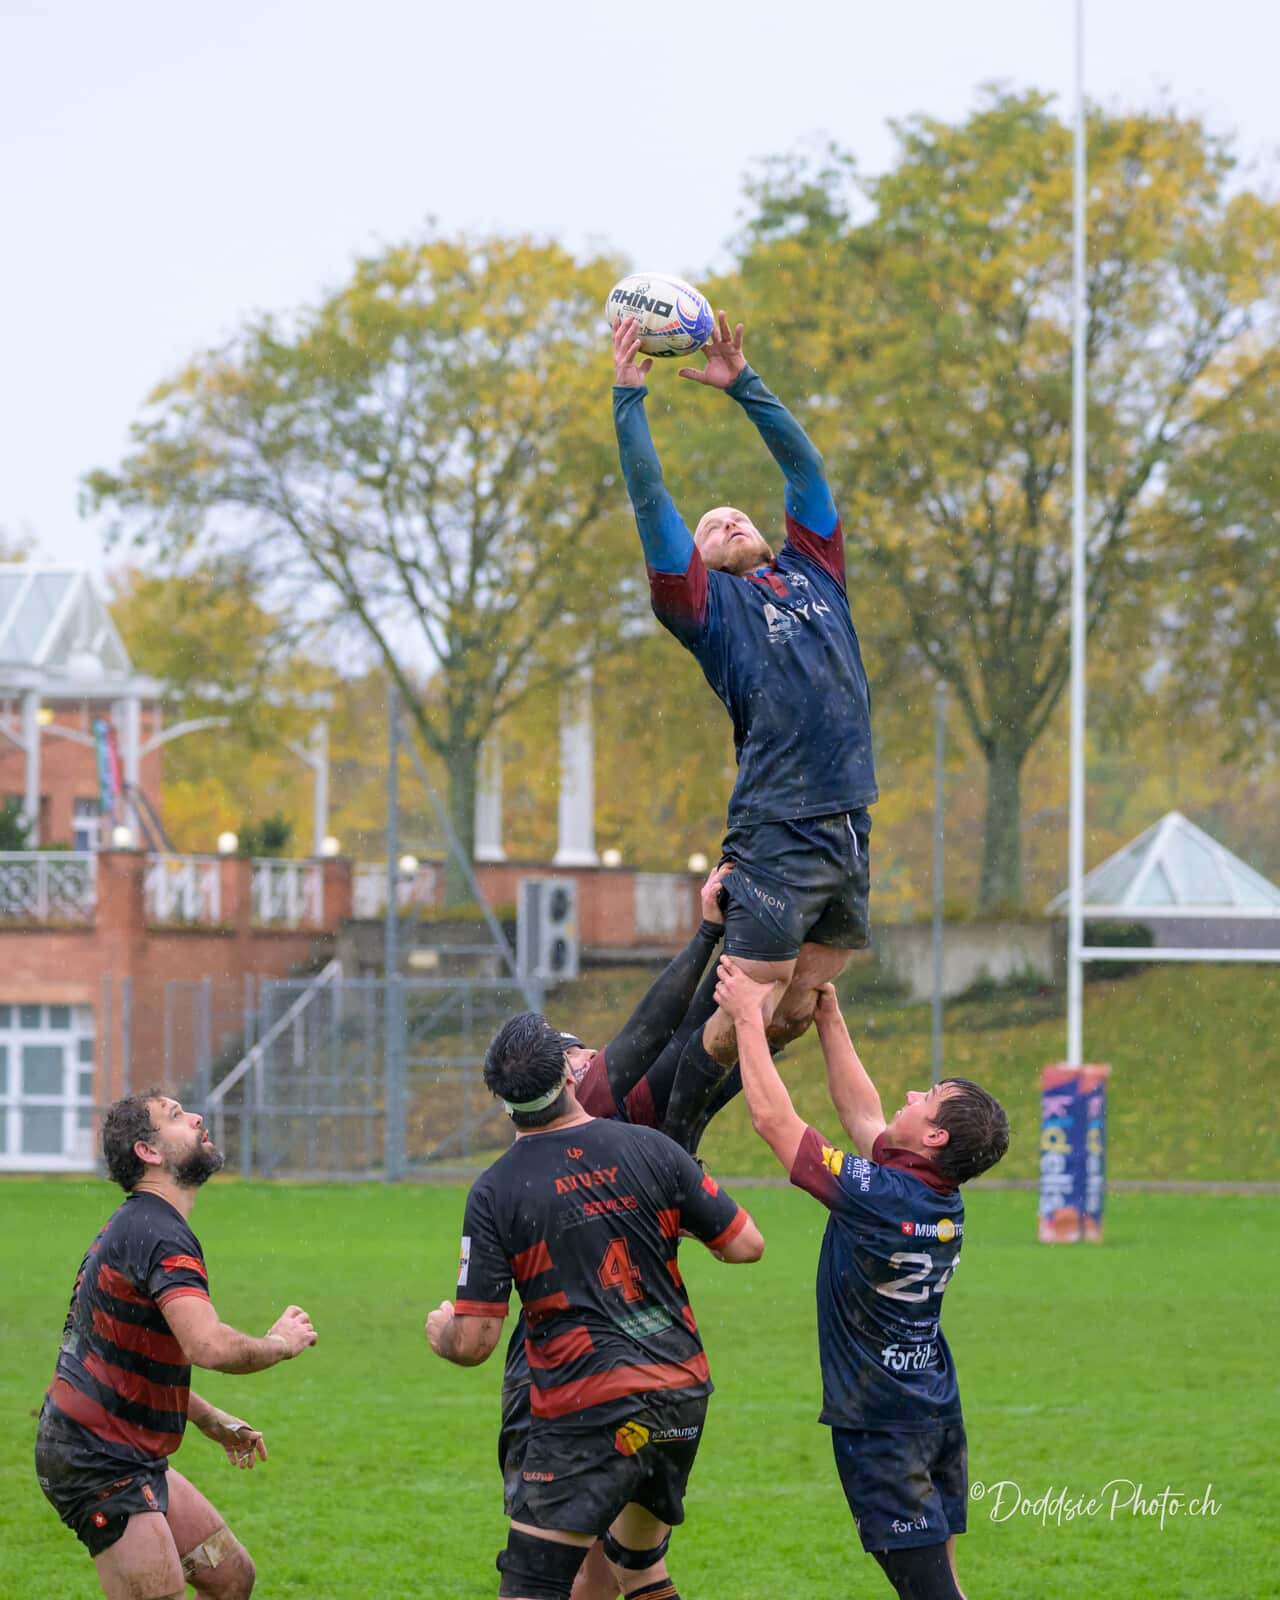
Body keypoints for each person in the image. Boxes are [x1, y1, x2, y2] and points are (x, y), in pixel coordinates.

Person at [612, 310, 877, 1149]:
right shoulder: (704, 608)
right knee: (748, 1007)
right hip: (779, 827)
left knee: (798, 1008)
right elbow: (651, 501)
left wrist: (745, 387)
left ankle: (648, 1114)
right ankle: (668, 1150)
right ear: (694, 559)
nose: (726, 519)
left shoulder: (816, 570)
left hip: (850, 824)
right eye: (709, 525)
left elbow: (805, 468)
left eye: (736, 514)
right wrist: (629, 400)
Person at [426, 1011, 764, 1600]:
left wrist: (443, 1333)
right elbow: (745, 1245)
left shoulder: (496, 1189)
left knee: (531, 1587)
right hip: (679, 1395)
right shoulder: (652, 1149)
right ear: (569, 1075)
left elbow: (476, 1343)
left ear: (502, 1099)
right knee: (640, 1566)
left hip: (590, 1408)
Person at [713, 957, 1009, 1600]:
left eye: (927, 1099)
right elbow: (864, 1118)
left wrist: (746, 1021)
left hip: (883, 1422)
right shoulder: (934, 1195)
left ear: (934, 1135)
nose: (913, 1095)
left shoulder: (882, 1197)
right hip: (932, 1406)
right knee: (944, 1587)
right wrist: (829, 1015)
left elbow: (776, 1124)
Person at [497, 864, 731, 1600]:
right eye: (574, 1052)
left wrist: (748, 991)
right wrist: (719, 939)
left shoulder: (611, 1118)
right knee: (627, 1561)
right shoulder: (605, 1109)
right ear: (561, 1079)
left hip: (579, 1364)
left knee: (585, 1559)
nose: (591, 1057)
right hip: (648, 1359)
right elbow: (659, 1030)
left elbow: (688, 1044)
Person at [34, 1092, 317, 1600]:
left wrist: (209, 1419)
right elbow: (208, 1346)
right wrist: (280, 1342)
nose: (196, 1117)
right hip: (96, 1459)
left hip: (125, 1452)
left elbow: (122, 1360)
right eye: (176, 1116)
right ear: (149, 1152)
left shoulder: (143, 1225)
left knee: (230, 1578)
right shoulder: (156, 1232)